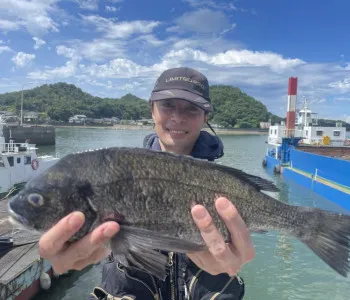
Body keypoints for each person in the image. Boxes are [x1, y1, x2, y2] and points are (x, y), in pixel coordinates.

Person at [38, 67, 255, 300]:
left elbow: (240, 243)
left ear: (206, 117)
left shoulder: (229, 188)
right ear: (152, 109)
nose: (177, 117)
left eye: (191, 109)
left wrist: (234, 261)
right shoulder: (117, 176)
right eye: (168, 105)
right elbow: (102, 235)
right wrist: (71, 244)